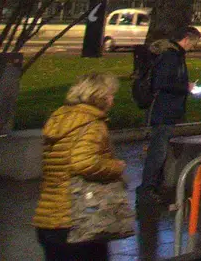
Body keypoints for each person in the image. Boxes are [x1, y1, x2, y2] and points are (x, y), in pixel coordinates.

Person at [34, 73, 126, 261]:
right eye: (110, 94)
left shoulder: (60, 118)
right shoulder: (91, 124)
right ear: (98, 96)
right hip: (79, 219)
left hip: (49, 217)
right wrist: (115, 166)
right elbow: (84, 162)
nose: (112, 99)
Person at [137, 26, 201, 207]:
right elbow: (163, 82)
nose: (194, 47)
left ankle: (152, 187)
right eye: (194, 43)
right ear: (187, 39)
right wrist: (185, 87)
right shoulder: (171, 56)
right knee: (158, 151)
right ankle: (147, 190)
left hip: (165, 109)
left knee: (159, 149)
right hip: (163, 110)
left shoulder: (173, 55)